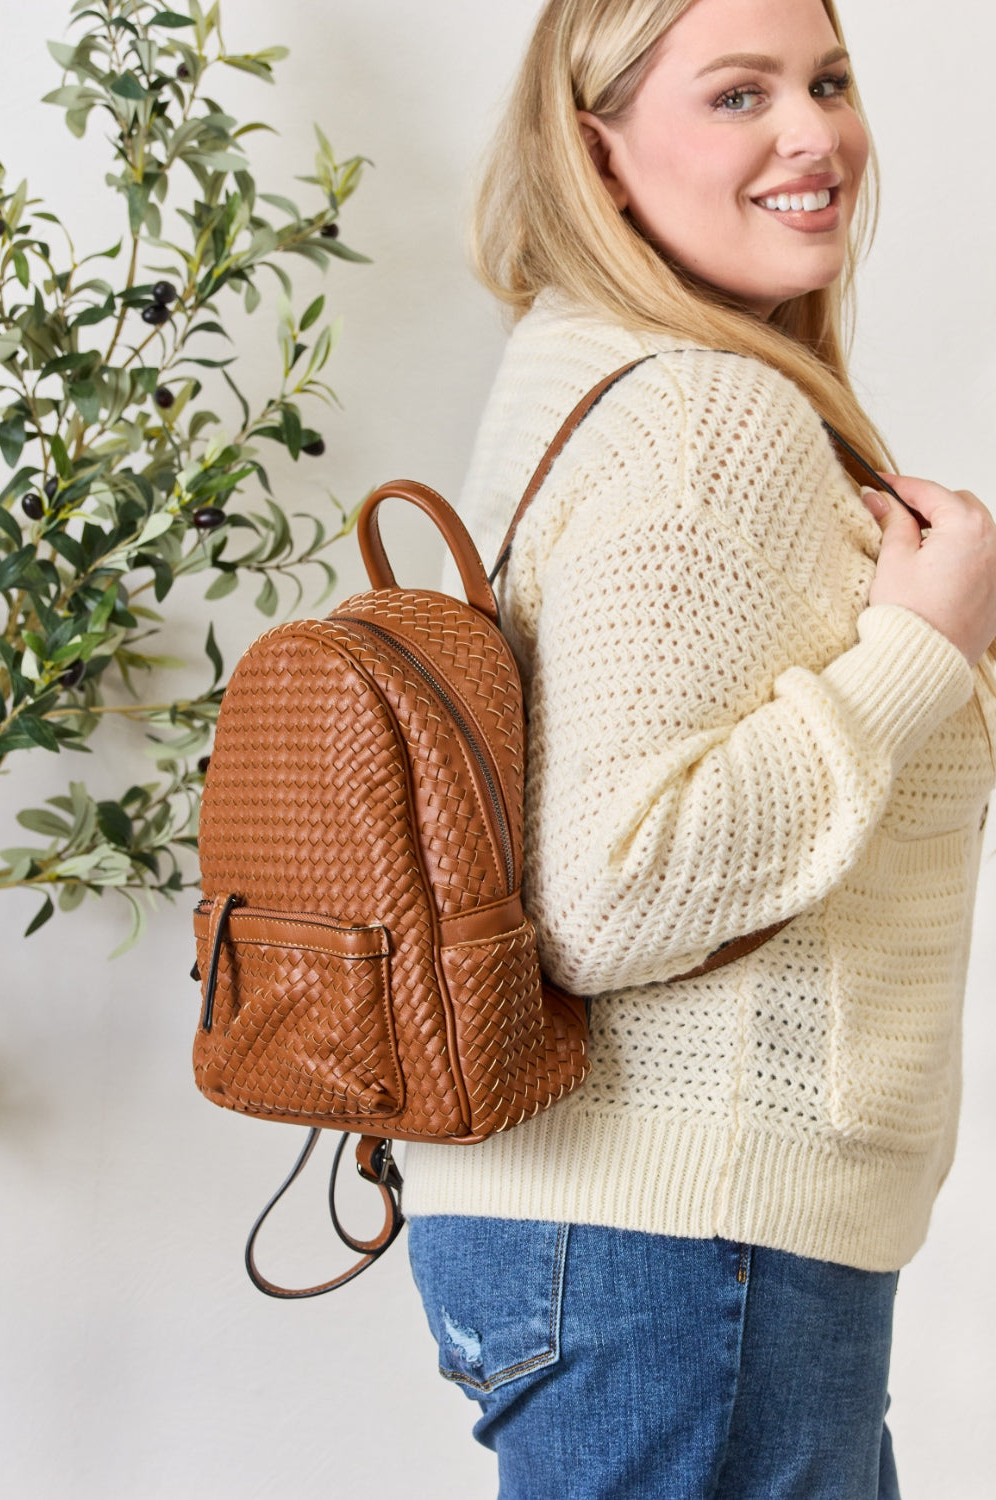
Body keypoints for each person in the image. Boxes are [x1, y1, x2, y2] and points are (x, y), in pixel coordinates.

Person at [400, 2, 996, 1496]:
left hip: (621, 1244)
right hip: (688, 1242)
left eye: (830, 81)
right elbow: (609, 892)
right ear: (596, 152)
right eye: (740, 95)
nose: (816, 134)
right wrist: (921, 654)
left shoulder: (588, 363)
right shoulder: (706, 412)